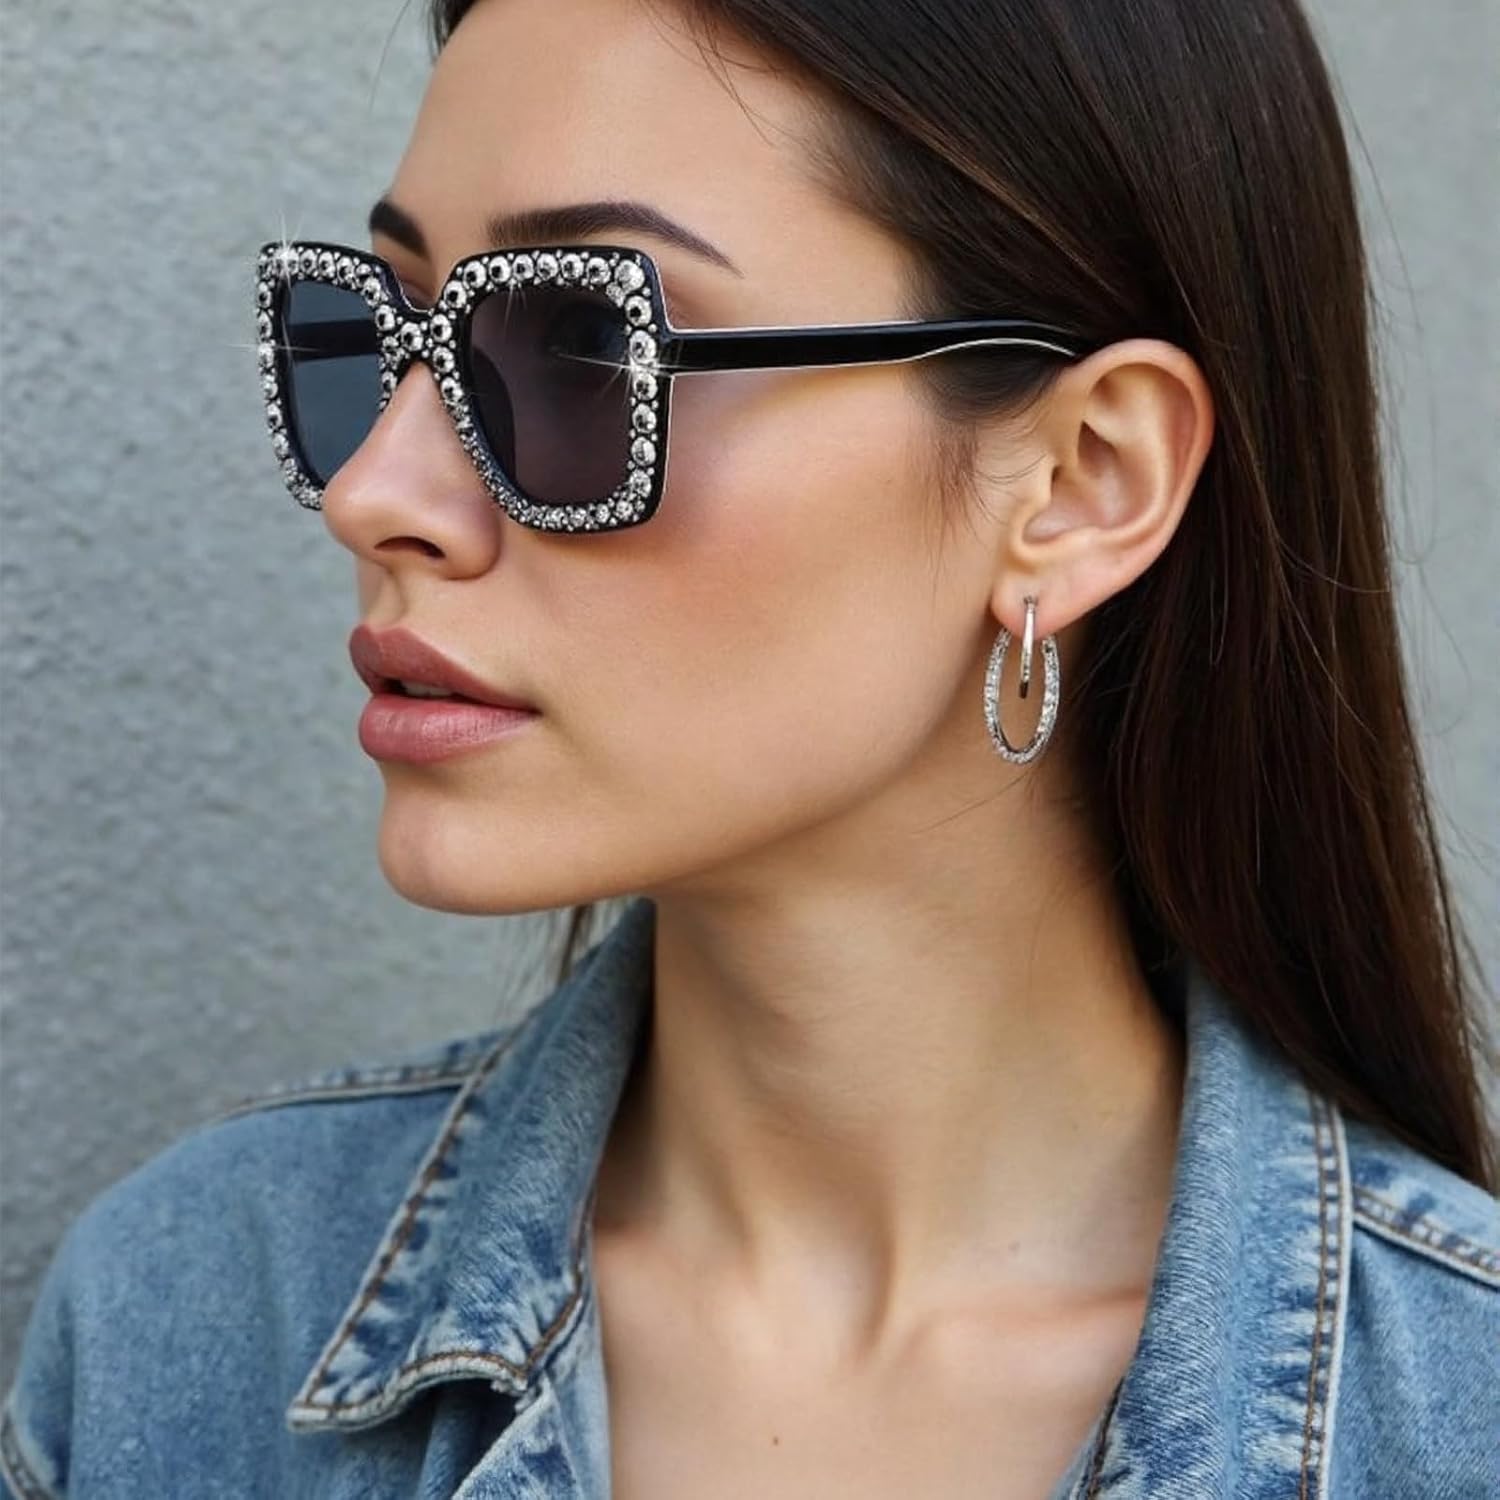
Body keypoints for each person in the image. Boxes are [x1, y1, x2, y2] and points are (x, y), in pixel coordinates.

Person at [4, 0, 1496, 1495]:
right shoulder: (188, 1323)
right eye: (374, 336)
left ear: (1082, 480)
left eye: (580, 349)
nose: (377, 493)